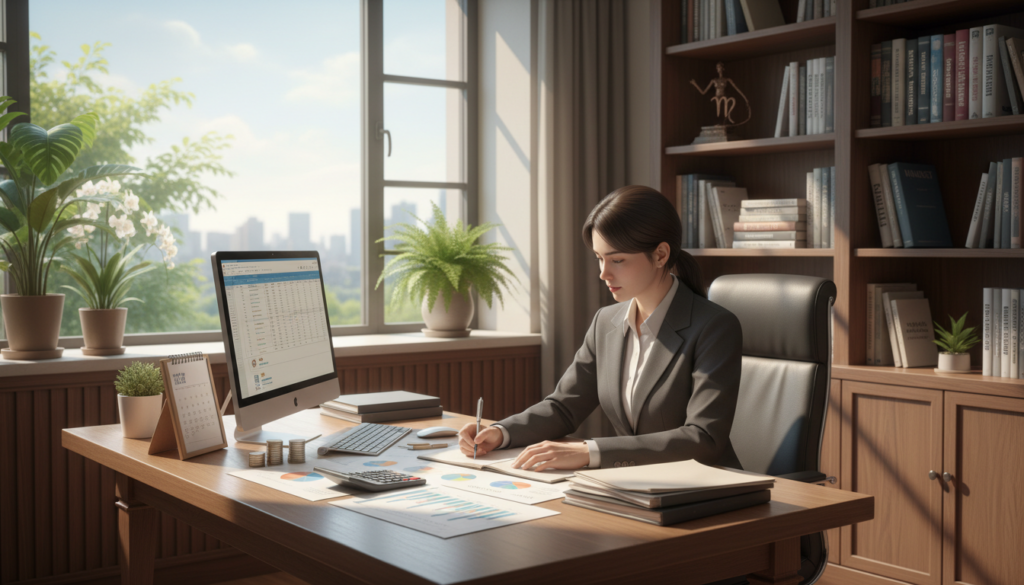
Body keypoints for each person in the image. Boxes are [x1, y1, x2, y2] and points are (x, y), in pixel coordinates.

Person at [457, 185, 743, 471]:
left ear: (660, 255)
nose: (603, 273)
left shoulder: (714, 327)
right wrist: (501, 432)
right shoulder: (605, 322)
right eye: (599, 258)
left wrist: (590, 451)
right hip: (635, 485)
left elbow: (703, 438)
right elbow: (564, 407)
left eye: (617, 260)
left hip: (706, 488)